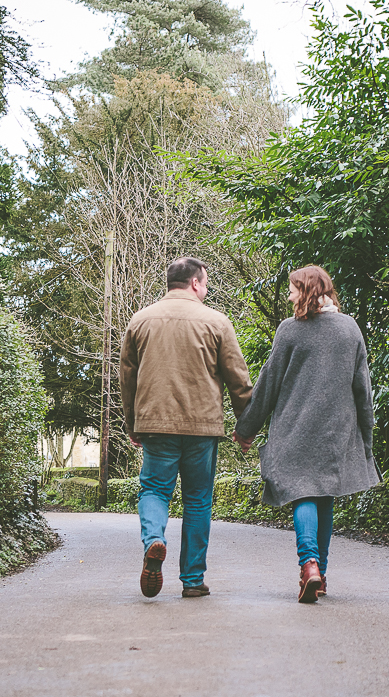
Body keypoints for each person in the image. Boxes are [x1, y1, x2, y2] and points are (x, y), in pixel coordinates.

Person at [233, 264, 379, 603]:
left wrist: (246, 429)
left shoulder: (290, 330)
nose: (289, 295)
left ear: (308, 290)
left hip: (295, 429)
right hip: (335, 432)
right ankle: (320, 575)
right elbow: (363, 389)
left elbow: (267, 384)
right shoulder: (350, 329)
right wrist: (366, 438)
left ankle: (309, 564)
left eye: (293, 289)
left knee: (303, 493)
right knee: (323, 496)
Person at [119, 256, 252, 599]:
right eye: (205, 282)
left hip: (156, 423)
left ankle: (155, 540)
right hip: (202, 426)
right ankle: (192, 580)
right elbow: (238, 380)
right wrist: (246, 425)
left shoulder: (140, 320)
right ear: (195, 283)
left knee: (153, 490)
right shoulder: (216, 322)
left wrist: (132, 421)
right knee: (197, 500)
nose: (206, 289)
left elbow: (127, 377)